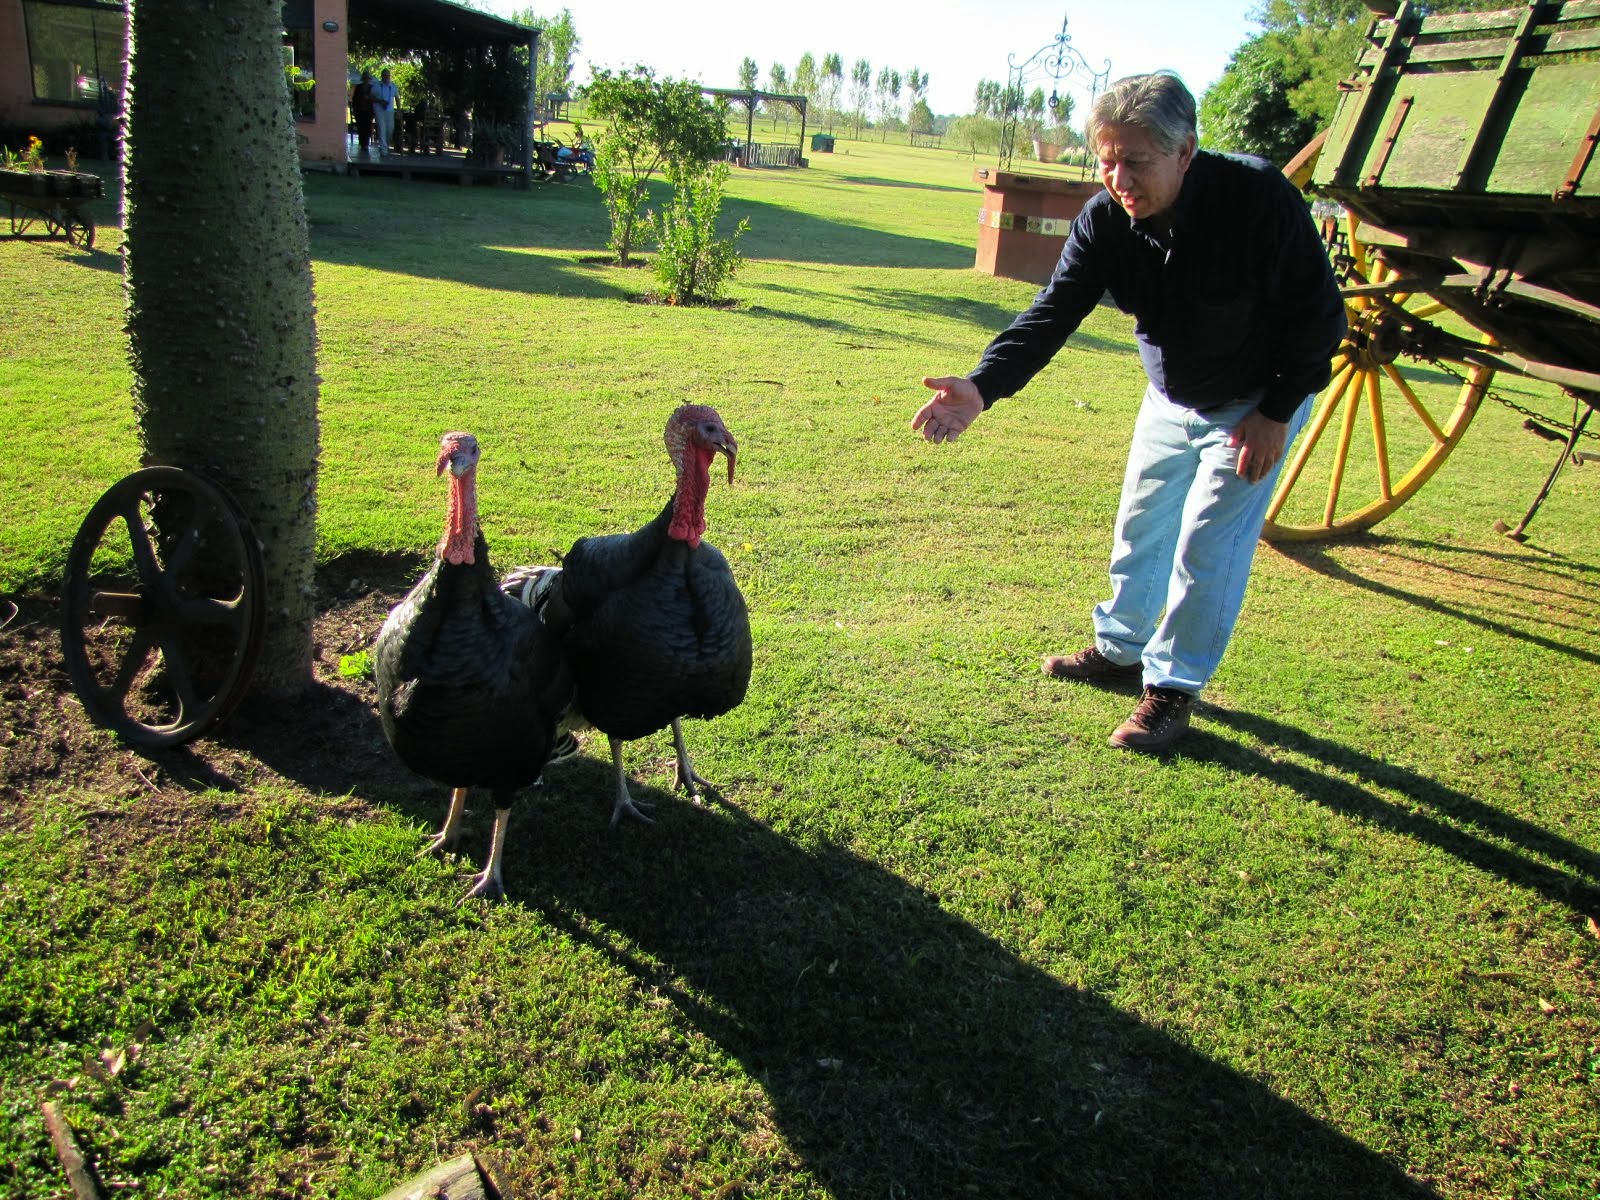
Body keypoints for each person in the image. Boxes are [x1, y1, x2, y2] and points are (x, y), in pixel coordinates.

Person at [912, 71, 1345, 753]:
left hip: (1256, 400)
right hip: (1170, 397)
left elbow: (1322, 316)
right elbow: (1052, 313)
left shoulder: (1258, 199)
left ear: (1186, 151)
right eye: (1107, 160)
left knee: (1209, 545)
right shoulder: (1105, 221)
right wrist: (982, 385)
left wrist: (1277, 410)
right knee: (1139, 528)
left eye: (1136, 161)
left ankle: (1171, 691)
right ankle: (1120, 651)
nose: (1119, 178)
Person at [370, 67, 399, 158]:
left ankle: (384, 145)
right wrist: (379, 101)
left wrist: (399, 110)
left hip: (390, 111)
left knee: (390, 129)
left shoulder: (393, 86)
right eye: (385, 76)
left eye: (388, 76)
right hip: (379, 110)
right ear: (381, 76)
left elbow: (397, 98)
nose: (387, 77)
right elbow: (371, 97)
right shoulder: (376, 86)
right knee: (381, 128)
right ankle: (383, 150)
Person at [350, 70, 376, 159]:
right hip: (359, 110)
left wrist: (369, 98)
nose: (367, 80)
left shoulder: (372, 88)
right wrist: (354, 109)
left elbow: (374, 99)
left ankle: (366, 144)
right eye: (365, 78)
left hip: (368, 111)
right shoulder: (358, 87)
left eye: (368, 78)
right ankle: (362, 144)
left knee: (368, 127)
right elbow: (354, 99)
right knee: (361, 127)